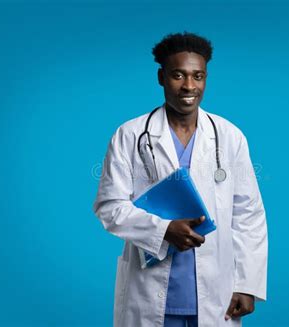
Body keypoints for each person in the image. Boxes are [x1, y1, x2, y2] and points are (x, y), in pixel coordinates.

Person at [92, 32, 268, 327]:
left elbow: (248, 214)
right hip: (148, 288)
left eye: (198, 76)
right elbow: (109, 207)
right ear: (161, 77)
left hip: (215, 292)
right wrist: (163, 230)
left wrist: (247, 284)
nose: (189, 86)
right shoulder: (130, 135)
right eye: (178, 75)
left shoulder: (229, 136)